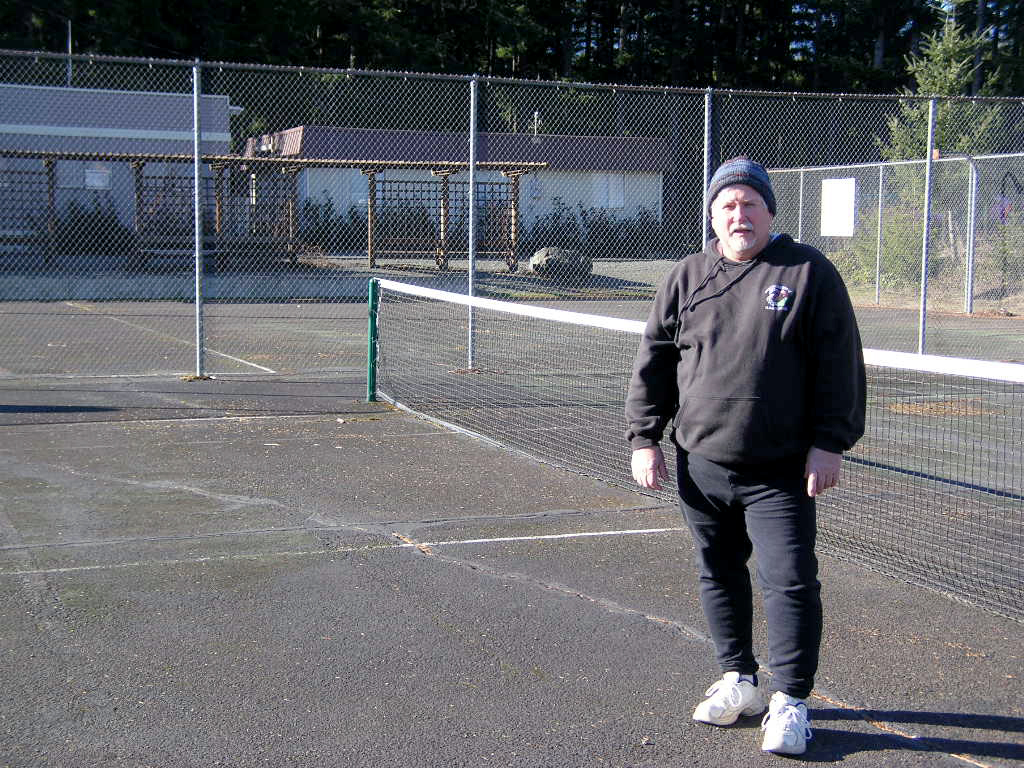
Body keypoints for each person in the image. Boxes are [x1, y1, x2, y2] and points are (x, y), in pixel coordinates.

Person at [624, 156, 865, 755]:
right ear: (712, 216)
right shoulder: (687, 276)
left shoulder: (809, 272)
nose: (739, 216)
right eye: (727, 206)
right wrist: (644, 439)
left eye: (749, 205)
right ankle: (739, 679)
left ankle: (790, 701)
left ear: (770, 212)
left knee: (788, 580)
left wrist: (830, 441)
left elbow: (841, 365)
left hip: (781, 470)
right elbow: (654, 360)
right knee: (719, 572)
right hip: (700, 464)